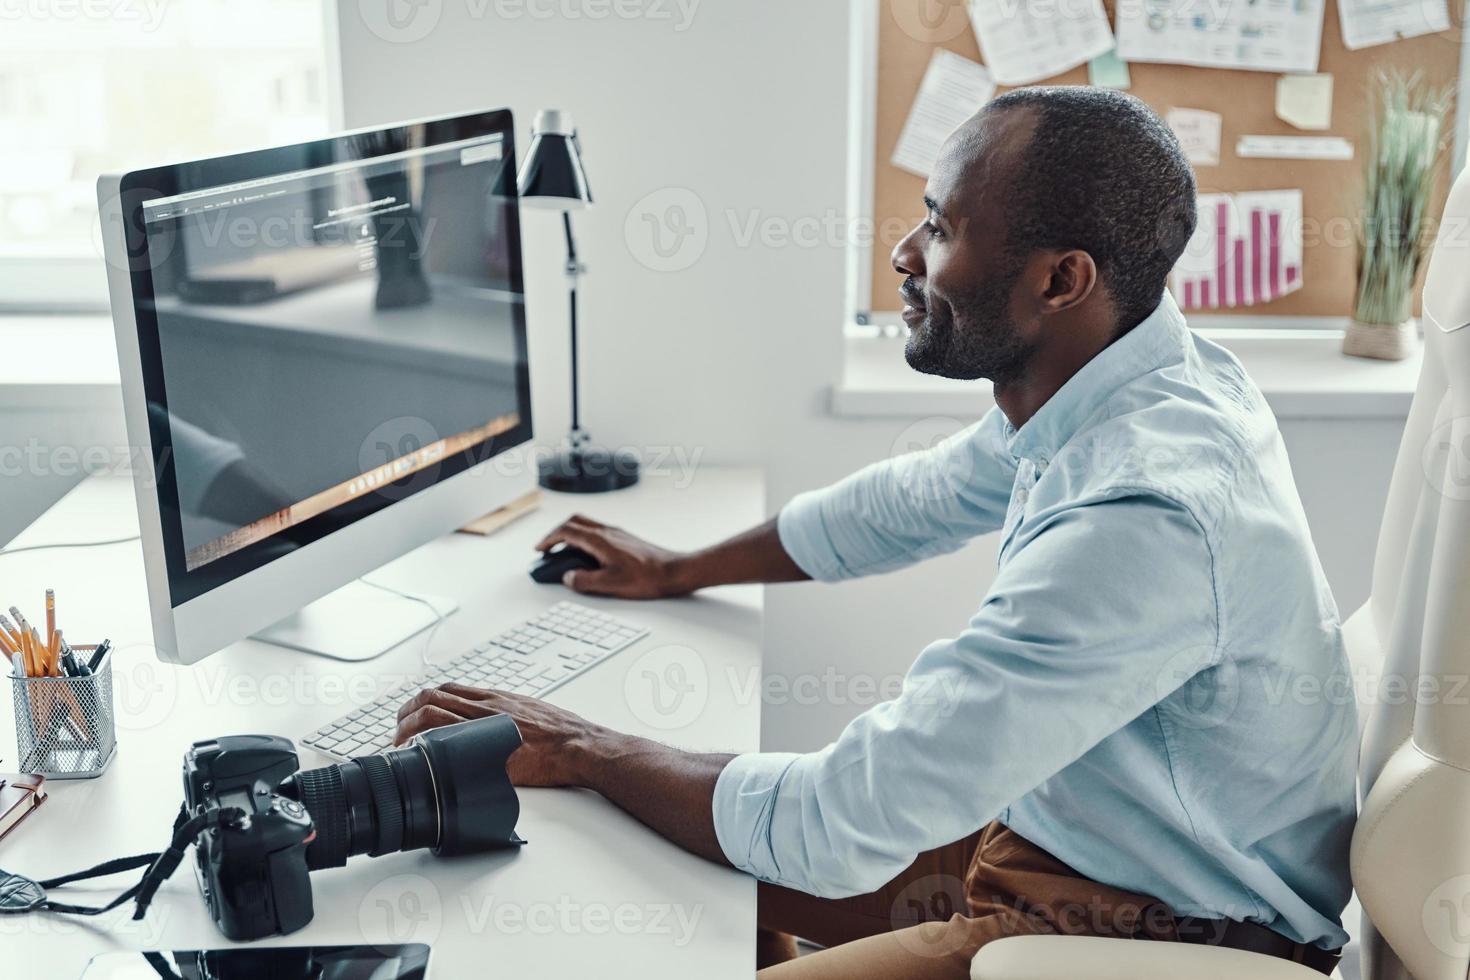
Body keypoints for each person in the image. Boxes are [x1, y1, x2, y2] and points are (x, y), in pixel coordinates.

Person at [393, 87, 1357, 979]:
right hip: (1080, 839)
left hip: (1156, 929)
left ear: (1061, 279)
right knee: (646, 860)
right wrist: (679, 568)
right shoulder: (1124, 377)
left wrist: (583, 747)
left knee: (654, 850)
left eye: (940, 229)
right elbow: (918, 499)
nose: (904, 254)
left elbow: (835, 823)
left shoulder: (1144, 516)